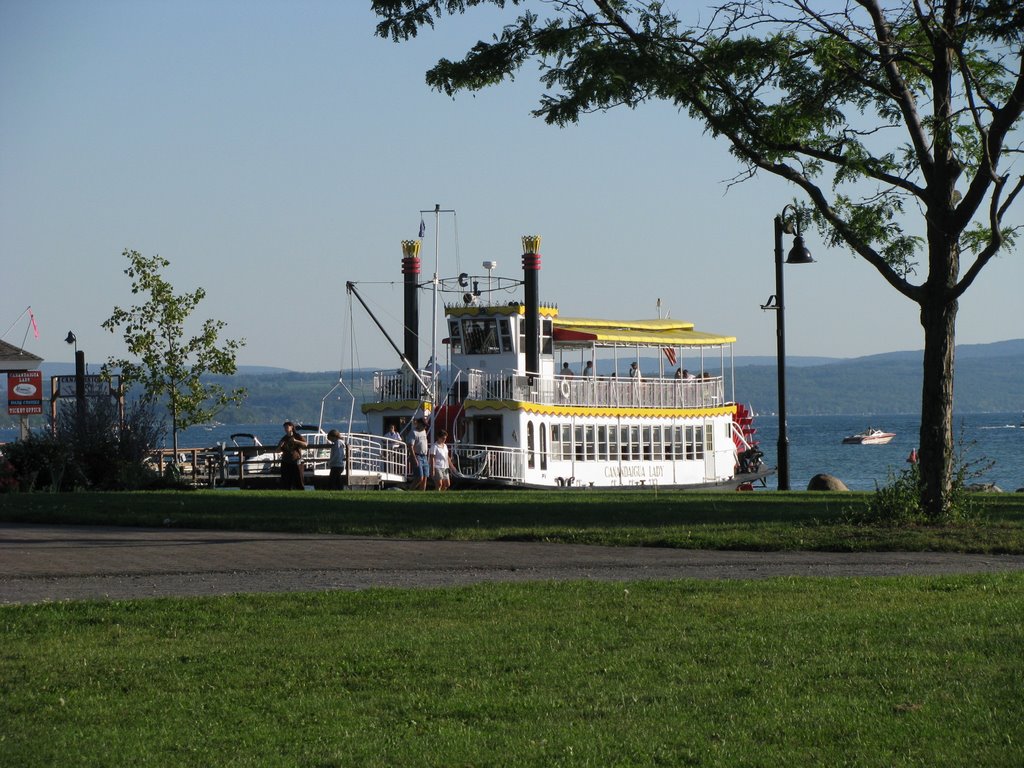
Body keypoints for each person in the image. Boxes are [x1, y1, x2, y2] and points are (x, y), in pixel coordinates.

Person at [277, 421, 307, 490]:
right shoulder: (284, 438)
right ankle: (287, 491)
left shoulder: (297, 436)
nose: (285, 429)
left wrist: (296, 441)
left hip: (296, 461)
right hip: (286, 461)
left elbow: (305, 444)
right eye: (284, 427)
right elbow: (278, 450)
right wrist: (280, 446)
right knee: (286, 480)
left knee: (299, 479)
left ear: (291, 427)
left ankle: (301, 491)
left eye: (287, 427)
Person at [407, 417, 429, 490]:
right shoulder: (413, 432)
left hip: (424, 456)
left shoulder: (424, 431)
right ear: (419, 424)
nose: (425, 427)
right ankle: (410, 491)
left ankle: (422, 495)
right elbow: (410, 446)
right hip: (417, 456)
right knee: (419, 477)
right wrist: (414, 458)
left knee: (425, 477)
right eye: (424, 425)